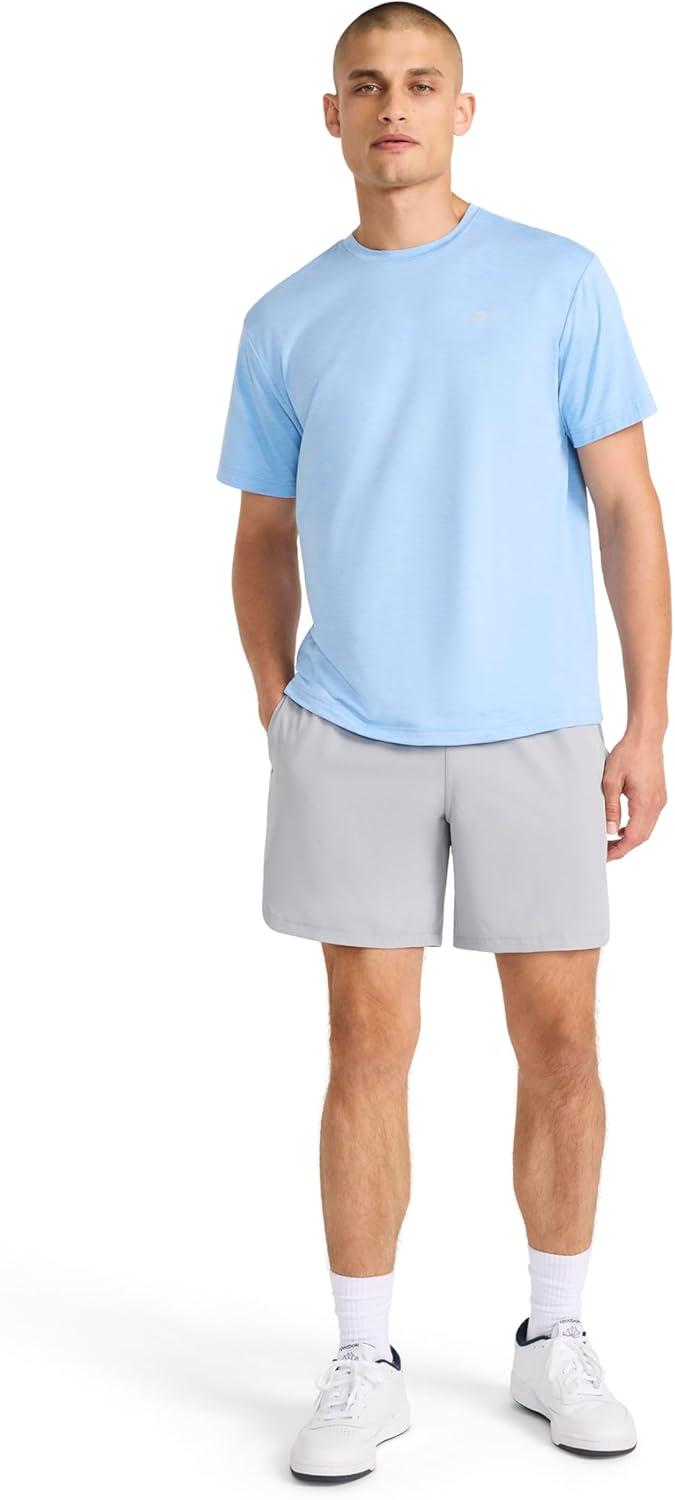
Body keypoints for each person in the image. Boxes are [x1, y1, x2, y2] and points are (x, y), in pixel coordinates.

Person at [215, 2, 670, 1481]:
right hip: (352, 733)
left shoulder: (557, 280)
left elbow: (627, 507)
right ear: (331, 115)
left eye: (422, 84)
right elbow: (263, 535)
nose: (393, 106)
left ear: (464, 111)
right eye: (367, 85)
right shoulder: (287, 317)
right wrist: (279, 705)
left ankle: (556, 1337)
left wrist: (647, 720)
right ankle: (365, 1358)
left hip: (537, 726)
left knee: (563, 1041)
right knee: (367, 1045)